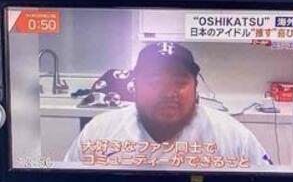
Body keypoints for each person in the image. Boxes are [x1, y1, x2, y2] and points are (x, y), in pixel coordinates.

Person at [64, 42, 272, 170]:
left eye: (179, 82)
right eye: (155, 82)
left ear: (195, 86)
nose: (167, 92)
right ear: (136, 86)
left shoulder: (233, 136)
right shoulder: (99, 131)